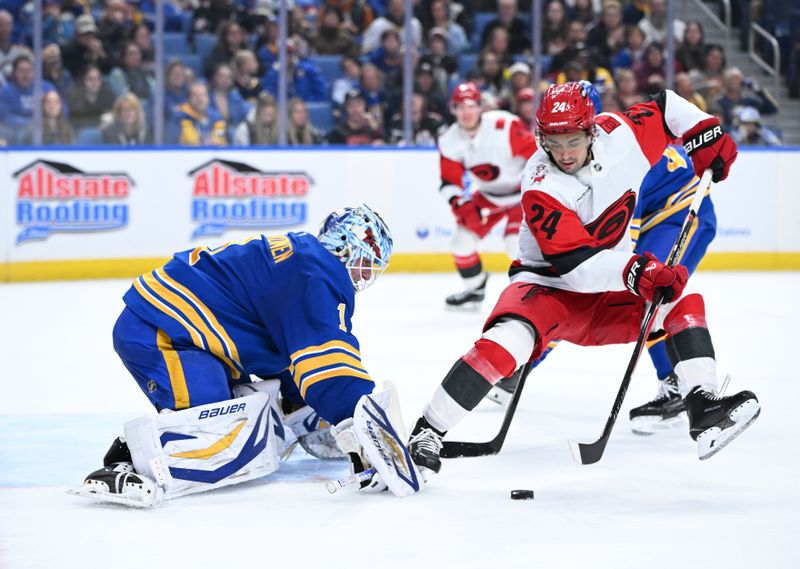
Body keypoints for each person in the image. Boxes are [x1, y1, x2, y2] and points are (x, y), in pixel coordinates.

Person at [408, 82, 759, 477]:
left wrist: (705, 128)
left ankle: (702, 404)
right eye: (552, 142)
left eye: (572, 140)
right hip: (549, 290)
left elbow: (665, 106)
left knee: (678, 302)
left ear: (592, 130)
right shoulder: (541, 184)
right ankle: (426, 432)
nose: (564, 153)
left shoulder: (621, 135)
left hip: (604, 294)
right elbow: (574, 265)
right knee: (508, 342)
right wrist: (634, 271)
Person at [73, 205, 423, 506]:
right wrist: (356, 419)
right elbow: (326, 359)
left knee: (253, 416)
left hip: (191, 331)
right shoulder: (319, 271)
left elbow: (294, 349)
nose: (366, 275)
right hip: (162, 330)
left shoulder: (303, 260)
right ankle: (127, 462)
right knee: (223, 443)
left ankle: (300, 413)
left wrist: (303, 402)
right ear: (348, 247)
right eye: (367, 263)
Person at [437, 81, 538, 310]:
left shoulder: (505, 126)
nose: (466, 113)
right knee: (461, 243)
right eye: (460, 107)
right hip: (488, 196)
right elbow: (449, 182)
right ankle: (475, 289)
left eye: (471, 106)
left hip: (522, 193)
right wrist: (460, 203)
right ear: (453, 109)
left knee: (515, 245)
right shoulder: (449, 140)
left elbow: (538, 156)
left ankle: (536, 288)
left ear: (481, 107)